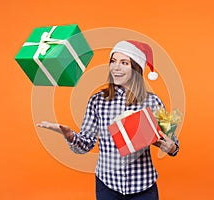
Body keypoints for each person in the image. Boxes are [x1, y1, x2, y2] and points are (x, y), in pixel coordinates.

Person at [37, 40, 179, 200]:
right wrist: (69, 135)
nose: (116, 67)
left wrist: (171, 147)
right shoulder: (97, 101)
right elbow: (84, 146)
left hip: (144, 187)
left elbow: (172, 142)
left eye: (124, 63)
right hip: (107, 186)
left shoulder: (154, 101)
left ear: (136, 69)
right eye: (113, 61)